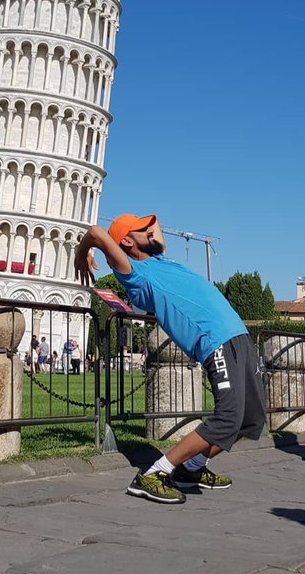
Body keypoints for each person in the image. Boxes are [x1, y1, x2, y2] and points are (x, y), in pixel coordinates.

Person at [74, 213, 266, 504]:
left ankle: (193, 467)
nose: (152, 233)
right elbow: (97, 233)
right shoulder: (136, 275)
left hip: (237, 336)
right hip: (214, 341)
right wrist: (83, 252)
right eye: (142, 230)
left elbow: (156, 226)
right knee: (227, 417)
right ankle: (154, 474)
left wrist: (147, 230)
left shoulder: (159, 260)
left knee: (250, 419)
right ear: (126, 241)